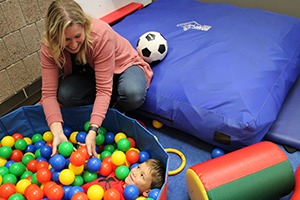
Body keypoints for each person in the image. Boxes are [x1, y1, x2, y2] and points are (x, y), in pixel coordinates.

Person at [41, 0, 153, 157]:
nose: (73, 44)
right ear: (55, 37)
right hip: (92, 74)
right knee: (65, 94)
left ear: (85, 26)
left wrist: (93, 129)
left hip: (123, 67)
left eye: (77, 36)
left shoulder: (100, 34)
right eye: (66, 40)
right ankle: (106, 105)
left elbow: (103, 90)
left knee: (132, 93)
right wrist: (58, 132)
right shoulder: (49, 46)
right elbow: (48, 94)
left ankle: (116, 108)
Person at [81, 159, 166, 199]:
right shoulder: (120, 172)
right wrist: (82, 164)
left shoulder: (127, 198)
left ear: (147, 192)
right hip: (79, 193)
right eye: (139, 167)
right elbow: (97, 167)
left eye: (142, 176)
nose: (135, 172)